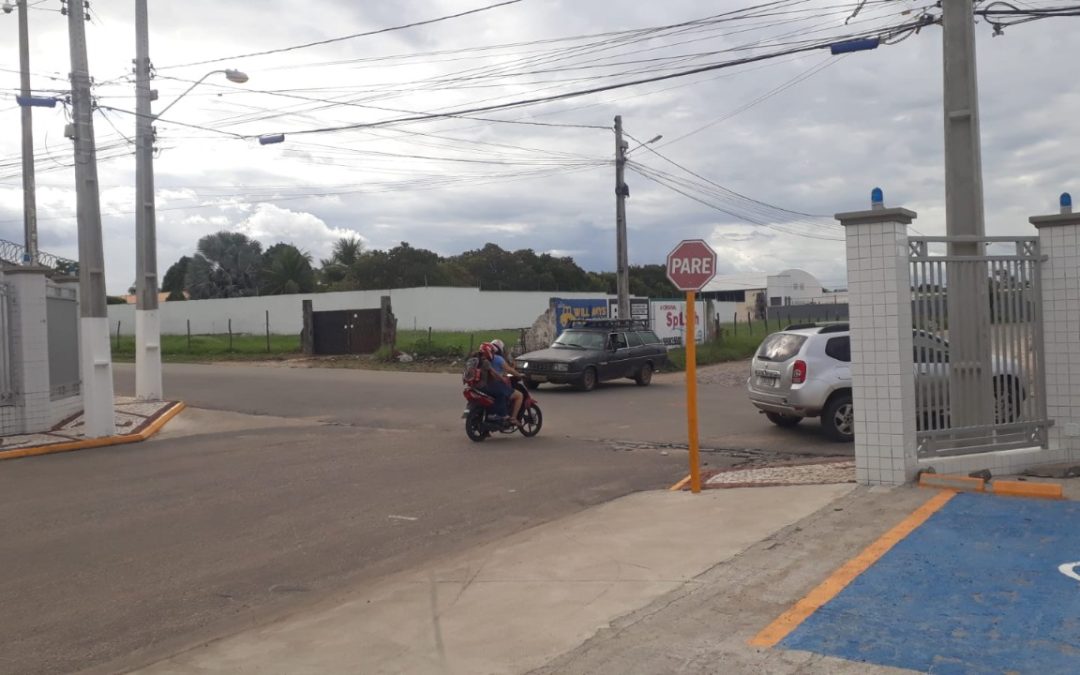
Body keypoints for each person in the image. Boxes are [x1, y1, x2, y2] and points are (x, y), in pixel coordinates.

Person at [490, 339, 525, 423]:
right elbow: (509, 370)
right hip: (497, 384)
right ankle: (513, 418)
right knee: (519, 395)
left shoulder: (485, 359)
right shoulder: (498, 359)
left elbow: (505, 371)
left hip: (488, 384)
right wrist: (519, 375)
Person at [477, 342, 512, 421]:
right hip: (484, 386)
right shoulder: (486, 362)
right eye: (492, 351)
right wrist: (503, 379)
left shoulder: (476, 359)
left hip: (475, 386)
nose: (493, 353)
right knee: (501, 393)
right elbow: (494, 373)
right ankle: (501, 415)